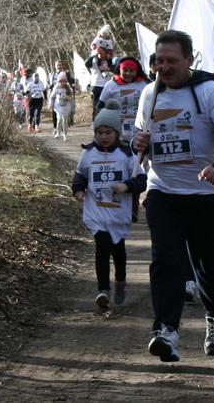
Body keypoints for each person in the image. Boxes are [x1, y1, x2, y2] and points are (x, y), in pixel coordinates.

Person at [132, 29, 214, 362]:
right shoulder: (149, 94)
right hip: (163, 191)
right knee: (165, 260)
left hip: (203, 193)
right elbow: (139, 143)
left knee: (208, 262)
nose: (163, 68)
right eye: (159, 61)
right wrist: (138, 144)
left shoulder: (208, 91)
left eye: (171, 61)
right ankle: (167, 331)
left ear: (189, 60)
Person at [72, 108, 146, 309]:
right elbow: (80, 176)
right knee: (101, 249)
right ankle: (103, 290)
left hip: (118, 212)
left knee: (118, 252)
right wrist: (78, 190)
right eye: (99, 132)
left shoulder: (126, 155)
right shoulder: (88, 153)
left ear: (117, 133)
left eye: (108, 132)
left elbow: (142, 180)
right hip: (97, 211)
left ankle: (120, 281)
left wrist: (126, 186)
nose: (103, 137)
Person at [98, 56, 151, 223]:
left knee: (136, 171)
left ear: (137, 71)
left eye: (132, 70)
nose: (128, 74)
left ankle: (133, 207)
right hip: (117, 135)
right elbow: (100, 107)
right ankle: (118, 206)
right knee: (121, 171)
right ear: (119, 70)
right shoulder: (111, 85)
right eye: (125, 70)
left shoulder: (145, 85)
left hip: (138, 134)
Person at [86, 38, 115, 119]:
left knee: (106, 105)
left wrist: (108, 69)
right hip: (96, 85)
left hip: (106, 85)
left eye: (103, 52)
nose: (101, 54)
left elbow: (115, 70)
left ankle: (105, 120)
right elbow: (86, 64)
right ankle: (95, 121)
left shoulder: (109, 61)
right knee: (96, 105)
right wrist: (93, 55)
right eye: (99, 52)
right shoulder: (94, 61)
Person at [49, 60, 77, 131]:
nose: (59, 66)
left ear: (63, 66)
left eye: (60, 65)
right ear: (55, 66)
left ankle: (65, 126)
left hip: (65, 95)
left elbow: (72, 83)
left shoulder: (66, 74)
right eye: (57, 65)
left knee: (68, 111)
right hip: (56, 95)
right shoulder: (52, 75)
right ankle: (55, 128)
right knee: (55, 111)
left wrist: (72, 90)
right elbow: (51, 84)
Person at [49, 73, 73, 141]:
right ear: (59, 81)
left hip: (66, 106)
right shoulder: (56, 87)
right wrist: (50, 104)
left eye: (64, 81)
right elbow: (52, 97)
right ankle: (58, 132)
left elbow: (71, 98)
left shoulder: (68, 87)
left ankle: (65, 134)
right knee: (59, 119)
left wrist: (66, 96)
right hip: (58, 106)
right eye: (61, 81)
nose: (63, 83)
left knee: (65, 121)